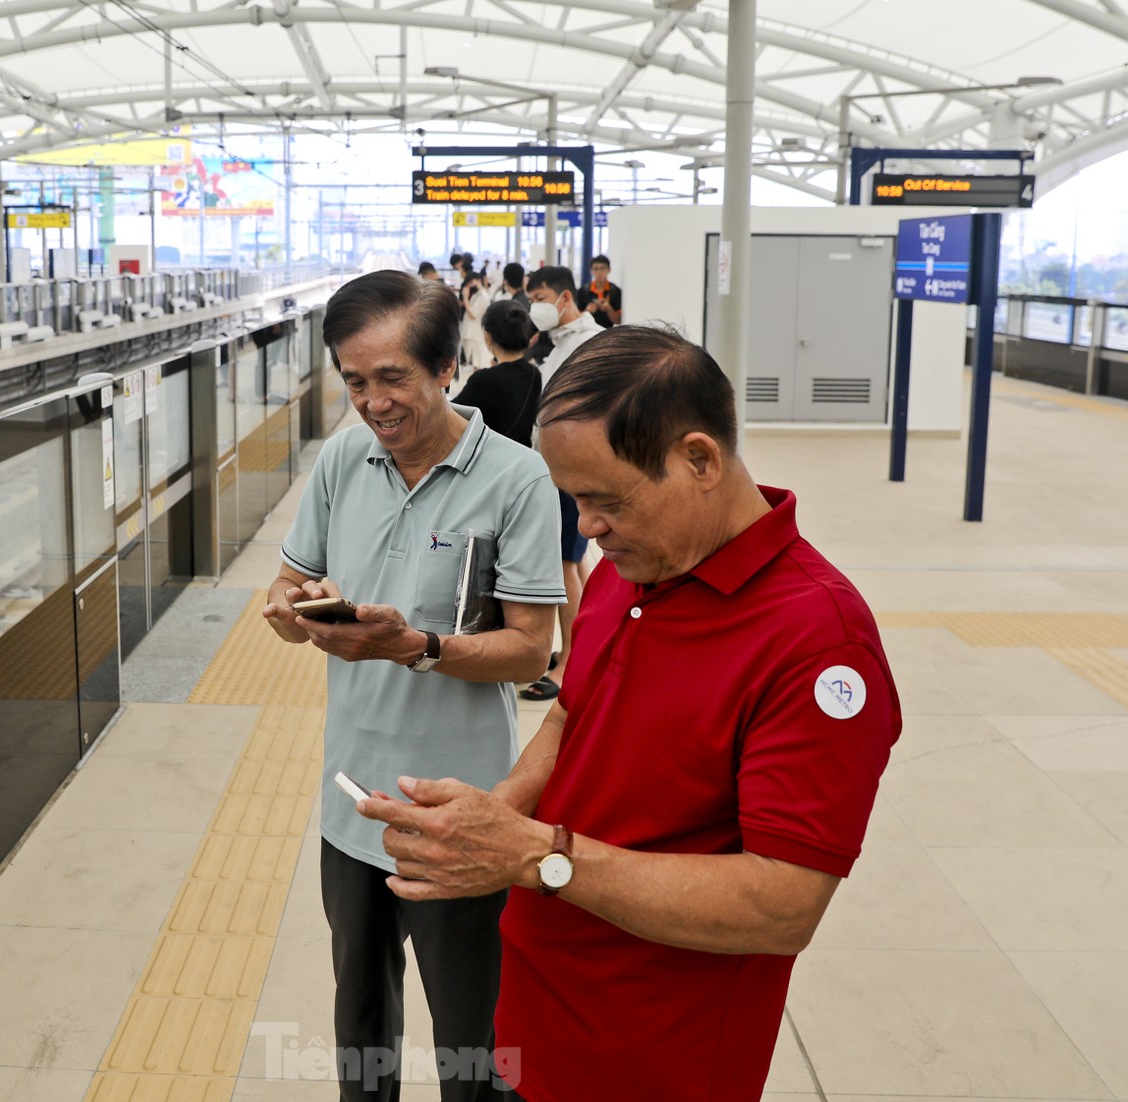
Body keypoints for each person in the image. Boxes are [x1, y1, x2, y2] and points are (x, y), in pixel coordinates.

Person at [356, 324, 901, 1102]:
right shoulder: (636, 565)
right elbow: (573, 714)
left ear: (700, 459)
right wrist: (489, 822)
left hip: (650, 1060)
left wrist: (536, 857)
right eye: (574, 499)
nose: (586, 528)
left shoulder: (818, 644)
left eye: (606, 500)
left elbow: (783, 906)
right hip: (531, 1024)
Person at [264, 270, 565, 1102]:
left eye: (393, 377)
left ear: (446, 368)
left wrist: (418, 647)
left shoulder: (515, 480)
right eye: (354, 381)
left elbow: (532, 651)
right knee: (360, 1024)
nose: (373, 402)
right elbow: (291, 581)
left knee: (472, 1040)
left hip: (458, 811)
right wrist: (292, 612)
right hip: (350, 799)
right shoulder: (343, 460)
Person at [519, 265, 603, 702]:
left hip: (570, 471)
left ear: (566, 299)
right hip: (556, 468)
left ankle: (572, 664)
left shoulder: (589, 344)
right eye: (531, 299)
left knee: (564, 566)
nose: (536, 307)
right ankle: (586, 645)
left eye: (542, 298)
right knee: (577, 562)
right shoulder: (561, 344)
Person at [453, 299, 540, 447]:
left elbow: (451, 416)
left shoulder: (483, 379)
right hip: (524, 456)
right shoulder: (534, 373)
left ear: (487, 337)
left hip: (493, 460)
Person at [459, 255, 491, 373]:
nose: (470, 286)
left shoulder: (483, 296)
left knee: (478, 363)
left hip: (475, 333)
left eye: (471, 283)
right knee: (473, 363)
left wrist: (466, 298)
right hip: (470, 332)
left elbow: (473, 314)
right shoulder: (478, 295)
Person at [582, 255, 622, 328]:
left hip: (607, 333)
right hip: (586, 332)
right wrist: (587, 311)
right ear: (591, 271)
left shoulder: (615, 291)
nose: (599, 272)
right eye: (596, 269)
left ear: (609, 269)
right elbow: (576, 318)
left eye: (603, 268)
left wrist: (609, 309)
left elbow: (619, 320)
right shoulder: (583, 291)